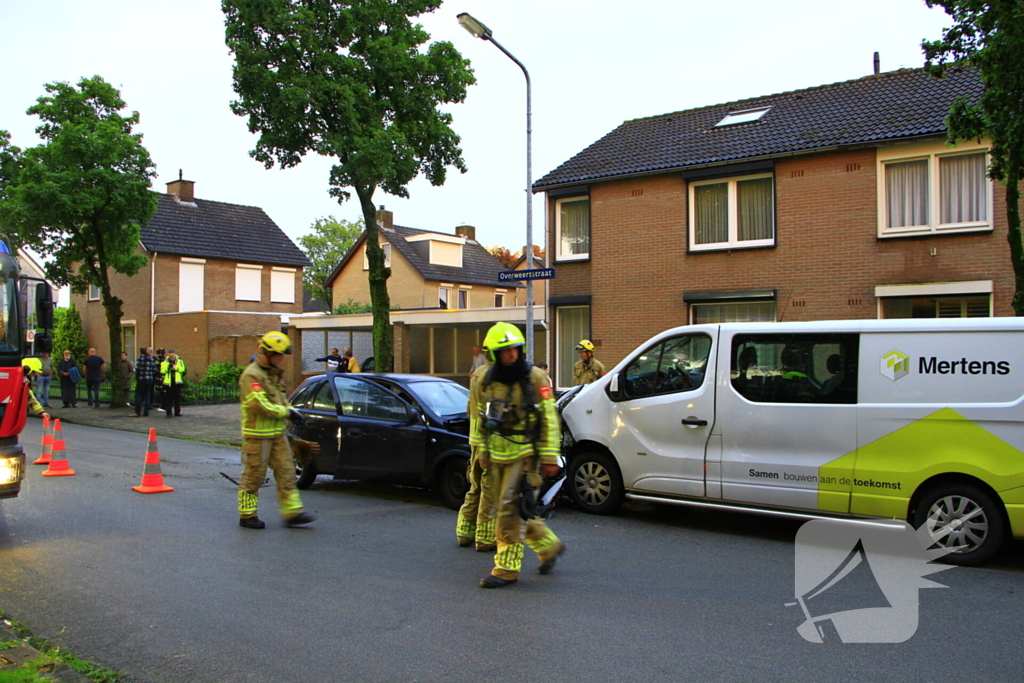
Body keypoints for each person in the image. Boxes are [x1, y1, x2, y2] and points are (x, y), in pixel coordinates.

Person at [471, 322, 565, 589]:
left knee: (508, 513)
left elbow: (549, 418)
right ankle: (549, 546)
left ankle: (506, 568)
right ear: (494, 354)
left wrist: (550, 458)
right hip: (497, 454)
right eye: (505, 350)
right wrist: (483, 451)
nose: (511, 354)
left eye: (515, 349)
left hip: (525, 455)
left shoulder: (535, 378)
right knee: (517, 509)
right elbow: (483, 418)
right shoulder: (486, 379)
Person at [237, 331, 316, 529]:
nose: (282, 359)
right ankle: (247, 515)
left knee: (287, 472)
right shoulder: (252, 375)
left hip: (277, 434)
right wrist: (286, 413)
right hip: (257, 436)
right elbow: (259, 405)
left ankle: (292, 513)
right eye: (279, 354)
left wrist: (292, 412)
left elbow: (281, 401)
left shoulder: (273, 374)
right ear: (268, 353)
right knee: (254, 475)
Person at [455, 358, 497, 553]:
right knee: (489, 490)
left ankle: (464, 532)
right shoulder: (495, 376)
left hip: (475, 439)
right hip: (489, 441)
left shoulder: (477, 373)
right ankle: (485, 537)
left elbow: (470, 408)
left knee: (475, 487)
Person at [21, 358, 50, 422]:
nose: (32, 376)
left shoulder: (24, 382)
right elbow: (31, 398)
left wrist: (41, 412)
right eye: (33, 373)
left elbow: (30, 398)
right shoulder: (21, 382)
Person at [160, 350, 186, 417]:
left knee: (177, 398)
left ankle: (177, 412)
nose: (171, 355)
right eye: (170, 354)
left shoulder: (179, 361)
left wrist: (175, 368)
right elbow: (162, 371)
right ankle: (169, 413)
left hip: (177, 382)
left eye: (172, 354)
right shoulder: (165, 362)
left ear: (174, 354)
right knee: (169, 398)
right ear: (168, 354)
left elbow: (183, 369)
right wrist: (168, 368)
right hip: (168, 382)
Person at [133, 347, 156, 417]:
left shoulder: (140, 358)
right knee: (147, 395)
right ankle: (146, 412)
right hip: (149, 379)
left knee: (139, 395)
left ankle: (137, 412)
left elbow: (138, 368)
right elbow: (154, 369)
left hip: (141, 378)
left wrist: (137, 375)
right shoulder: (152, 359)